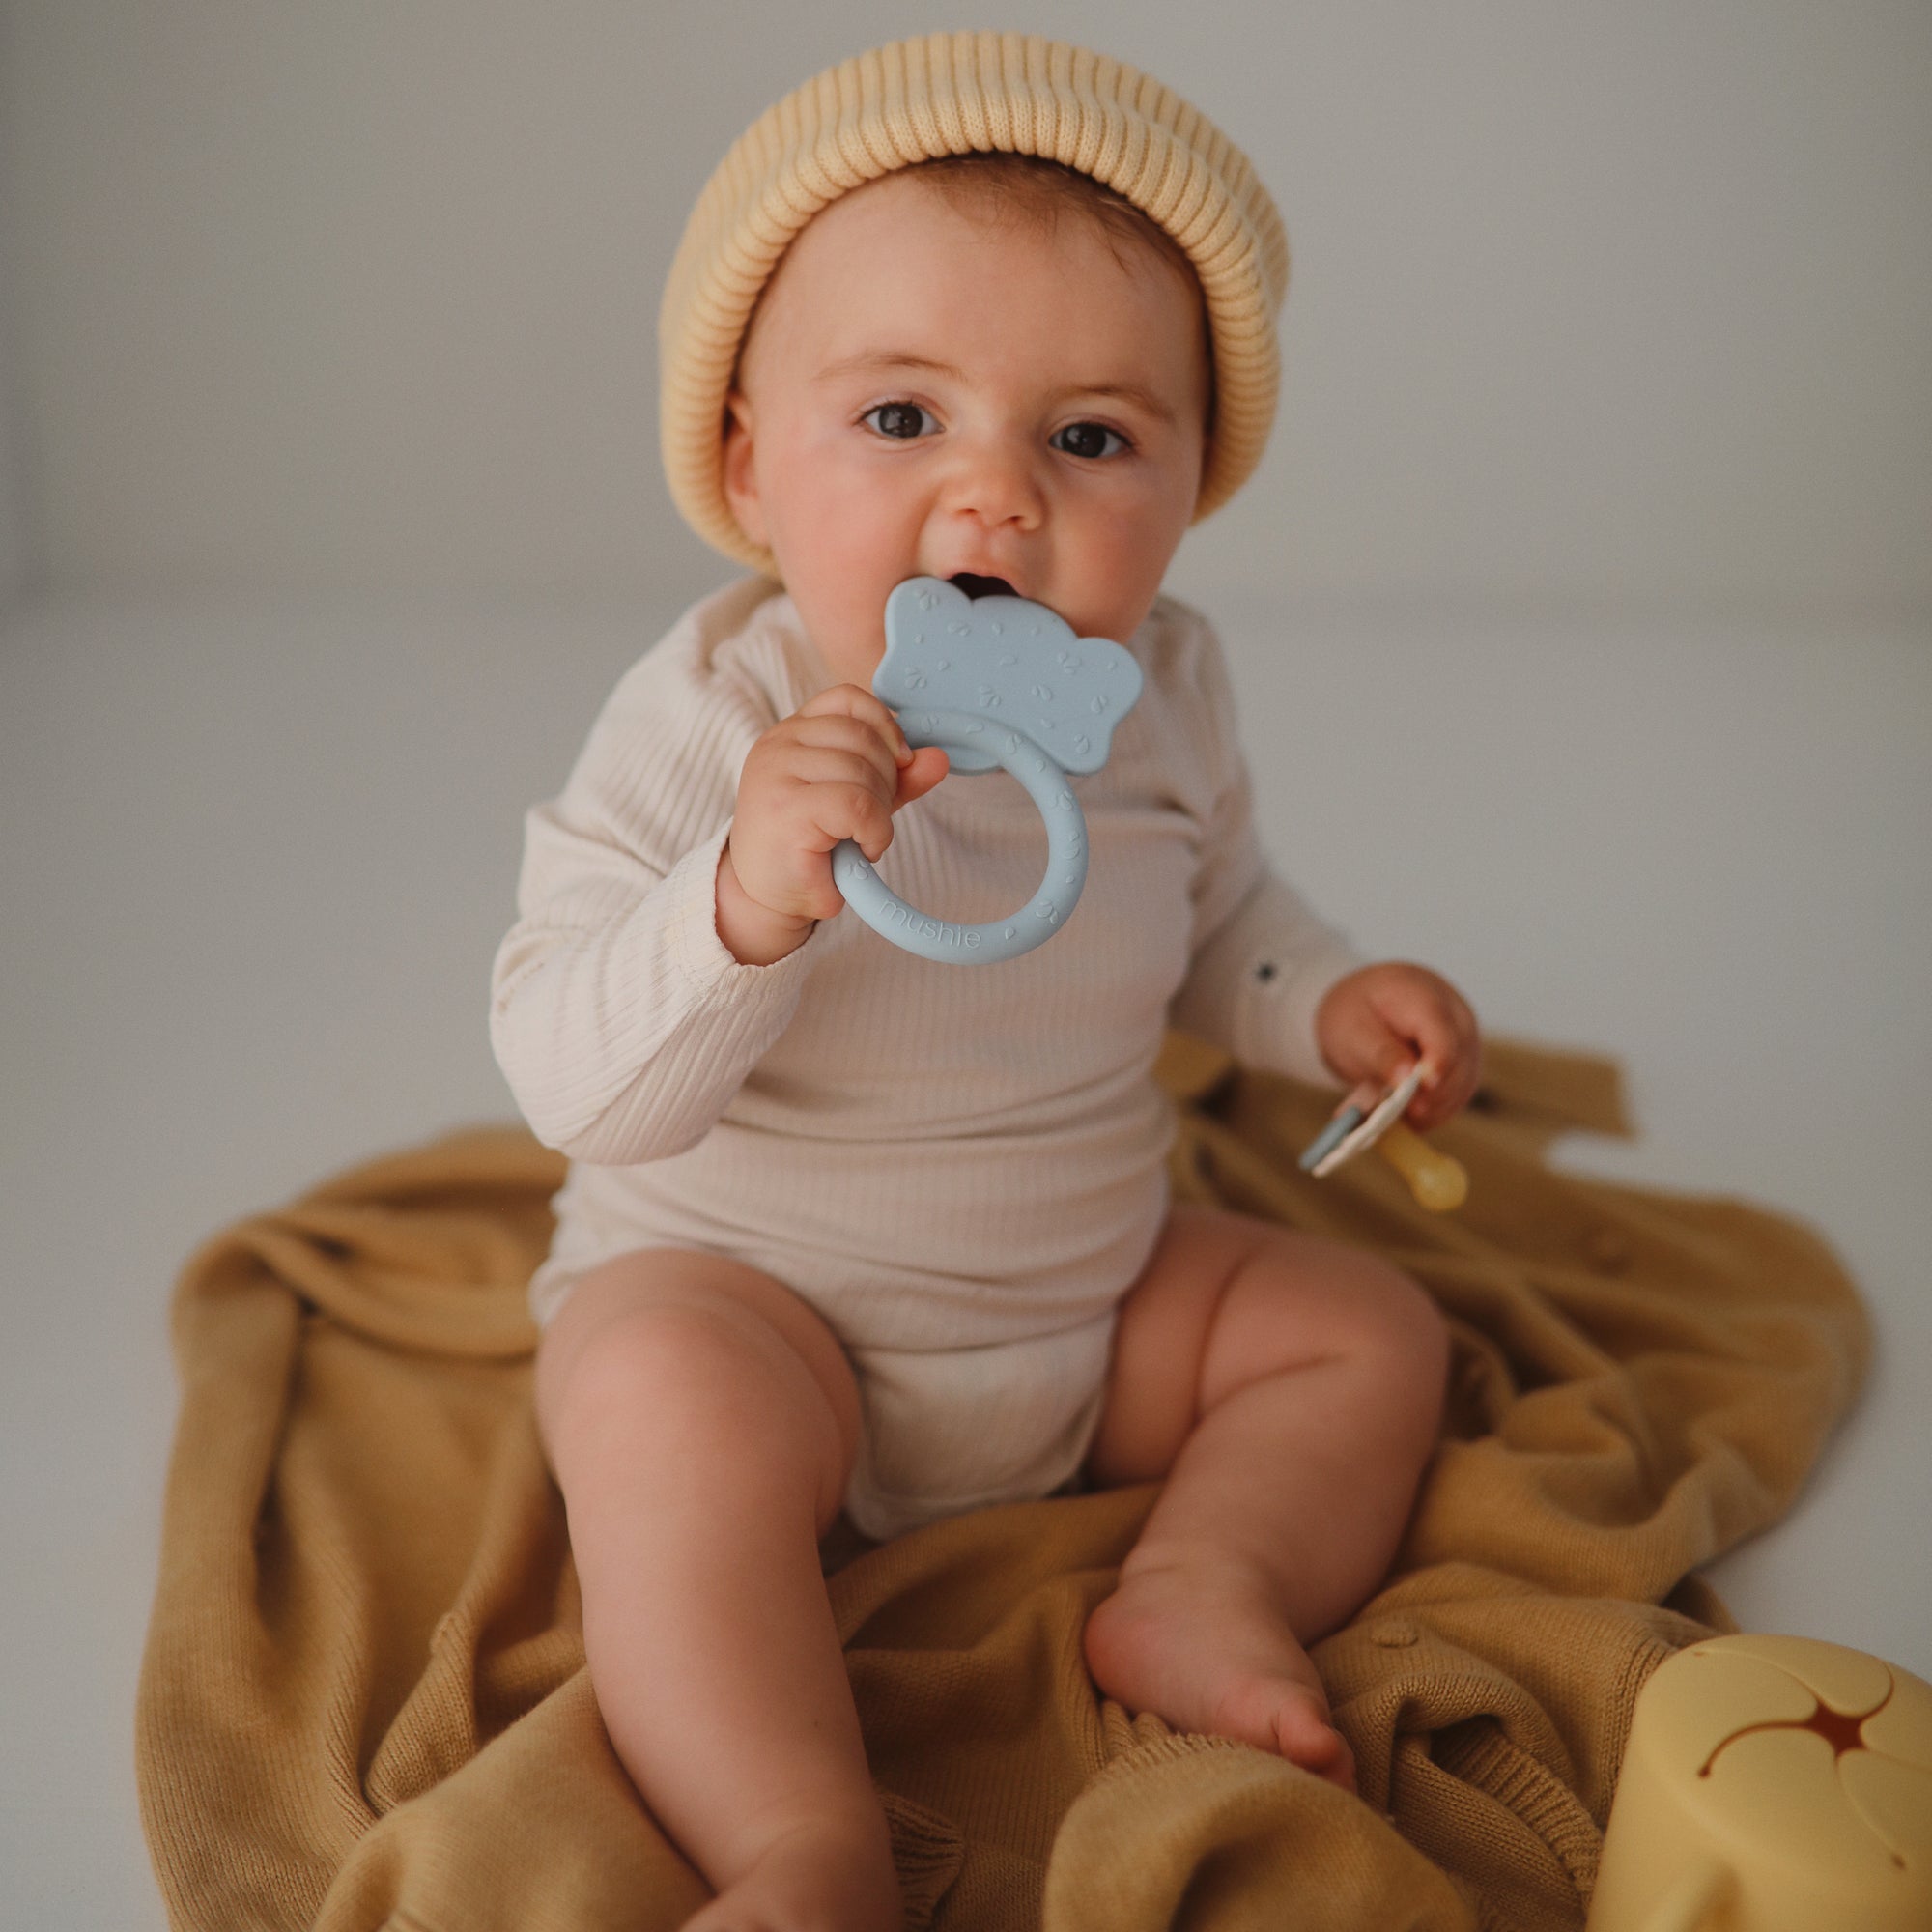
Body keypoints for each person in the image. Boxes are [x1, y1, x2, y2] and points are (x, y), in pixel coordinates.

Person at [490, 34, 1480, 1931]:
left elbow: (1221, 914)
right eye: (898, 419)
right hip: (764, 1311)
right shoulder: (712, 719)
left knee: (1361, 1330)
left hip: (1084, 1306)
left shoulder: (1161, 690)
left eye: (1088, 437)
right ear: (744, 463)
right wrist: (740, 901)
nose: (996, 501)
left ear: (1193, 487)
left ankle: (1200, 1585)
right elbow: (571, 1079)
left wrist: (1328, 1000)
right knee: (647, 1401)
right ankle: (800, 1843)